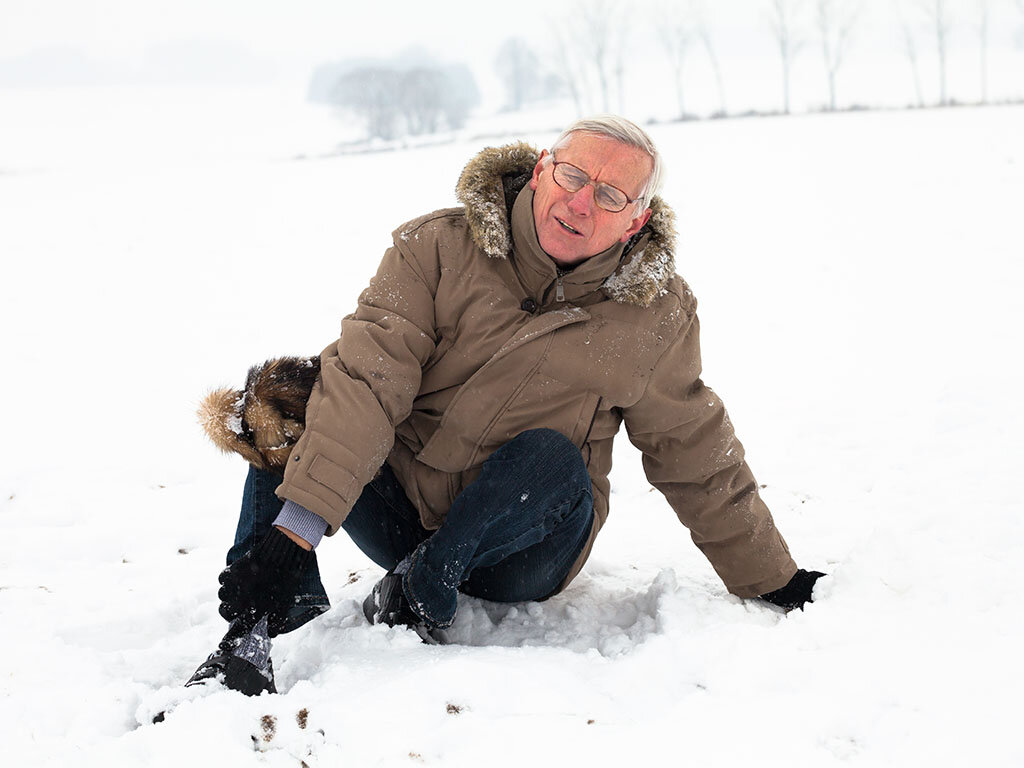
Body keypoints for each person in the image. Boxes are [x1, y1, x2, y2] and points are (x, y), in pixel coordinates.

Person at [189, 115, 825, 695]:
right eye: (573, 176)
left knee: (549, 455)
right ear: (544, 167)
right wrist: (295, 534)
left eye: (610, 195)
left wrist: (770, 575)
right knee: (295, 397)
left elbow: (690, 444)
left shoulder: (654, 314)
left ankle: (418, 589)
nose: (580, 202)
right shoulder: (437, 249)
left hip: (524, 544)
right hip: (400, 511)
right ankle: (253, 628)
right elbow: (367, 382)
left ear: (636, 220)